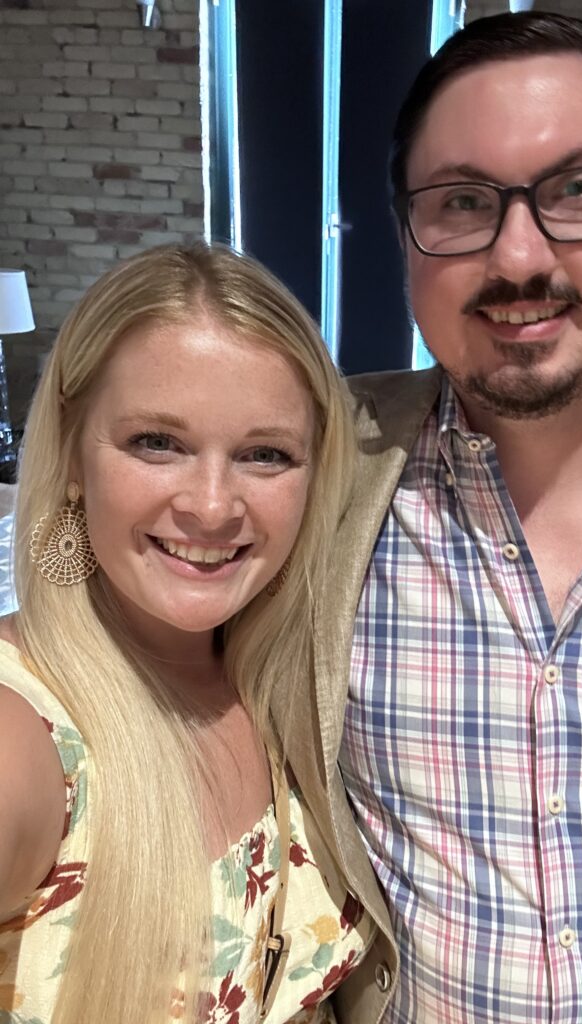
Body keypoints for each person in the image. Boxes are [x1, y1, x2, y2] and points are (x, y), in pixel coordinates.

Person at [281, 11, 582, 1024]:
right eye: (461, 201)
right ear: (405, 232)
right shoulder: (312, 460)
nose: (517, 255)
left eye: (577, 191)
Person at [0, 243, 380, 1024]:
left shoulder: (289, 689)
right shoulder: (24, 735)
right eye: (157, 443)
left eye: (265, 454)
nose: (212, 506)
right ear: (73, 453)